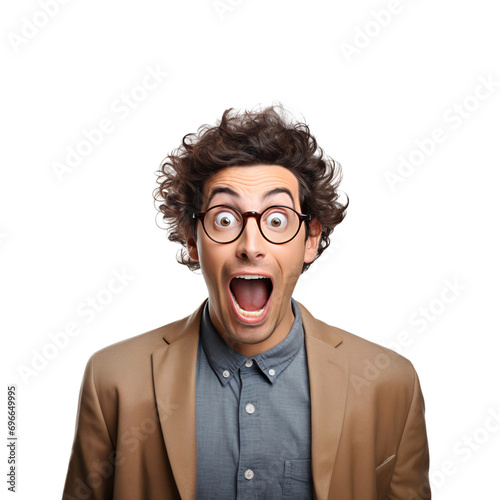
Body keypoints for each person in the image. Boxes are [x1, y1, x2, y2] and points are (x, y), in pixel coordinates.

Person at [62, 104, 430, 500]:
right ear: (191, 239)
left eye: (276, 219)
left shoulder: (389, 384)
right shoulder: (113, 380)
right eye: (224, 219)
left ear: (310, 239)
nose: (251, 246)